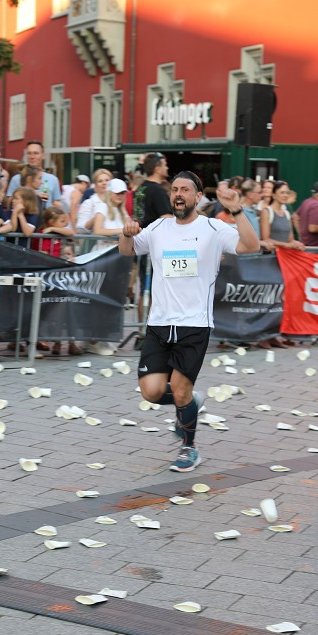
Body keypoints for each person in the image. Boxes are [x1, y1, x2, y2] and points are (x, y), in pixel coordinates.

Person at [118, 174, 260, 472]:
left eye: (185, 190)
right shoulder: (159, 227)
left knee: (179, 390)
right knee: (152, 391)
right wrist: (127, 233)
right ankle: (190, 402)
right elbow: (125, 250)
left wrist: (236, 210)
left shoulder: (212, 228)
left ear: (197, 197)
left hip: (194, 324)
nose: (178, 195)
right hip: (159, 323)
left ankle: (189, 447)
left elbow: (250, 246)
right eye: (174, 190)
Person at [5, 140, 61, 207]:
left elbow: (57, 203)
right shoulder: (16, 179)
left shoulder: (53, 179)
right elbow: (9, 203)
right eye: (29, 153)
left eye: (36, 153)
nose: (32, 157)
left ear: (43, 155)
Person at [260, 181, 304, 251]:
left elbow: (290, 239)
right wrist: (286, 245)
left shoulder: (287, 213)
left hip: (286, 256)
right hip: (271, 256)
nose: (285, 195)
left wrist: (297, 243)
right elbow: (266, 239)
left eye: (287, 193)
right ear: (273, 195)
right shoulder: (266, 212)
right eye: (282, 192)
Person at [133, 153, 171, 228]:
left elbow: (137, 216)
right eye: (165, 165)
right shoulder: (158, 191)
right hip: (154, 237)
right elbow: (167, 218)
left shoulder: (139, 189)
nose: (167, 168)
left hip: (140, 235)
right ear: (158, 170)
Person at [91, 178, 131, 250]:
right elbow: (97, 231)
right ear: (109, 193)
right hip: (103, 253)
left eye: (122, 193)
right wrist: (121, 230)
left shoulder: (122, 211)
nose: (120, 195)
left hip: (119, 253)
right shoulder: (102, 206)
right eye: (117, 192)